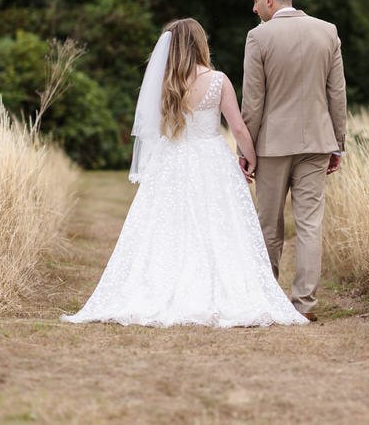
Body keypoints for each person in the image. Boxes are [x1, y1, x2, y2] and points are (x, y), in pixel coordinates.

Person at [61, 18, 307, 328]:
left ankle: (164, 285)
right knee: (218, 224)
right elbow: (239, 128)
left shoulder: (164, 83)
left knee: (168, 226)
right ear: (200, 43)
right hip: (211, 159)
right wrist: (251, 158)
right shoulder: (217, 80)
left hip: (171, 160)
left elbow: (154, 129)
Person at [241, 0, 347, 322]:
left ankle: (269, 298)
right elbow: (337, 94)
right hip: (318, 141)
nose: (254, 8)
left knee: (269, 224)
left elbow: (252, 103)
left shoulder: (258, 38)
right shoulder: (327, 31)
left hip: (272, 145)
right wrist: (338, 145)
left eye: (256, 1)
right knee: (310, 224)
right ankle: (304, 304)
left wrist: (247, 151)